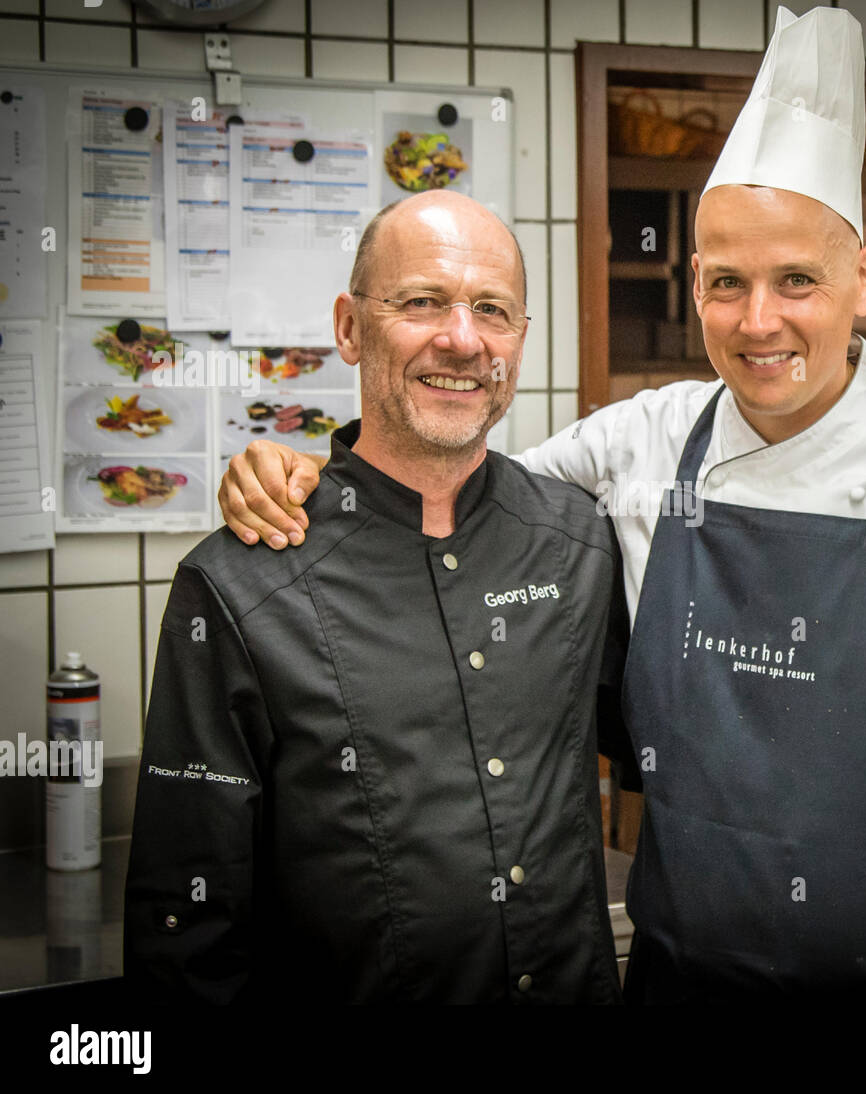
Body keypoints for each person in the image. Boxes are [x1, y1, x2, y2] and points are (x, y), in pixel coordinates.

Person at [217, 6, 866, 1004]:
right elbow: (453, 498)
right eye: (725, 282)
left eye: (797, 279)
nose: (758, 321)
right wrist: (302, 470)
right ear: (692, 279)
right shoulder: (638, 445)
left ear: (863, 279)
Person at [126, 190, 628, 1003]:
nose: (461, 339)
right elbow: (188, 922)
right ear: (351, 327)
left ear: (520, 342)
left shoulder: (581, 542)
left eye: (492, 311)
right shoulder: (239, 585)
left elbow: (672, 753)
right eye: (422, 301)